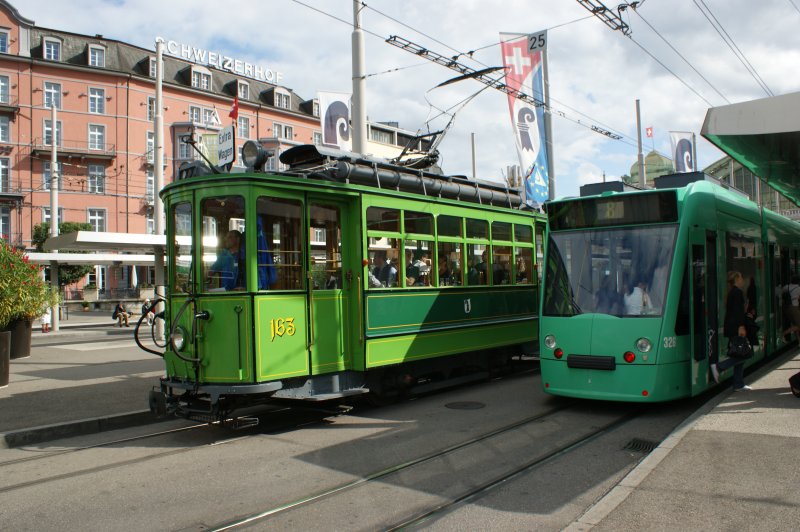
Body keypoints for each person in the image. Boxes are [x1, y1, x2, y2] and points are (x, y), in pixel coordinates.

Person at [710, 271, 751, 391]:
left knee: (739, 352)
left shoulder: (731, 292)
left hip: (732, 327)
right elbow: (738, 312)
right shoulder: (737, 292)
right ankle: (719, 367)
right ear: (737, 279)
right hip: (736, 327)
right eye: (741, 278)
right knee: (743, 354)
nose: (743, 280)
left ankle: (738, 384)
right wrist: (741, 326)